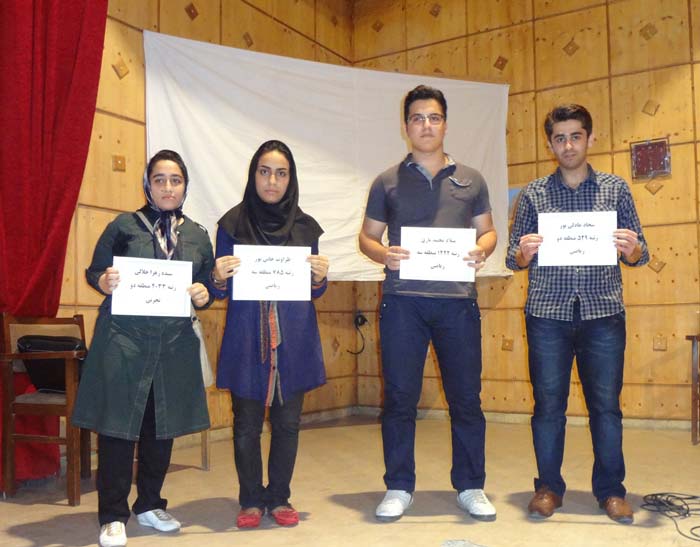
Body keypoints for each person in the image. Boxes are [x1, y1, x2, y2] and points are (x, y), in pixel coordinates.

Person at [359, 85, 498, 522]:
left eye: (434, 117)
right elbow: (367, 237)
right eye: (418, 118)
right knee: (400, 397)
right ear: (406, 126)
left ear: (445, 124)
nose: (426, 125)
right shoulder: (386, 181)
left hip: (457, 302)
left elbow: (488, 232)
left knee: (466, 398)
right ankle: (398, 486)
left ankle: (471, 486)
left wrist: (482, 250)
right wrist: (384, 254)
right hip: (403, 303)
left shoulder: (472, 179)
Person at [506, 104, 649, 524]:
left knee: (606, 407)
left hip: (603, 313)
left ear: (590, 138)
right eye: (559, 138)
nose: (568, 145)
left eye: (575, 136)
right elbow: (514, 258)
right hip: (547, 314)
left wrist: (633, 249)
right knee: (548, 407)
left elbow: (641, 253)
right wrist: (523, 252)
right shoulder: (534, 194)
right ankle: (548, 488)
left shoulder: (615, 189)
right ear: (549, 144)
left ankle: (612, 491)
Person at [72, 150, 214, 547]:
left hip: (173, 344)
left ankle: (150, 504)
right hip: (124, 341)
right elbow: (95, 271)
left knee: (161, 427)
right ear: (147, 185)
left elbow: (207, 285)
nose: (168, 187)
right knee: (117, 427)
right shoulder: (124, 226)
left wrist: (205, 294)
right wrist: (103, 281)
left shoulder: (198, 235)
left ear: (185, 186)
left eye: (175, 180)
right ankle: (112, 515)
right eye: (159, 180)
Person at [210, 140, 329, 529]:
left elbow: (314, 290)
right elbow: (219, 290)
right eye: (264, 172)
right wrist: (217, 277)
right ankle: (250, 499)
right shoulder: (231, 225)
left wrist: (320, 278)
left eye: (281, 173)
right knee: (245, 423)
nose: (272, 181)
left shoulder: (306, 227)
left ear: (291, 179)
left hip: (293, 337)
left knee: (288, 423)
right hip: (248, 337)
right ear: (253, 175)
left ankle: (279, 496)